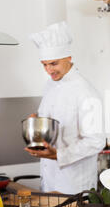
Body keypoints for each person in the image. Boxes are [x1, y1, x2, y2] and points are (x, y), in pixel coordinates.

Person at [25, 21, 105, 194]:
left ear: (69, 58)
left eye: (53, 64)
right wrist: (37, 120)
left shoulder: (86, 92)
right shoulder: (51, 85)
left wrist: (58, 155)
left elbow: (96, 141)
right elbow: (53, 118)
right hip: (49, 178)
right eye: (44, 64)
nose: (48, 70)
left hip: (74, 184)